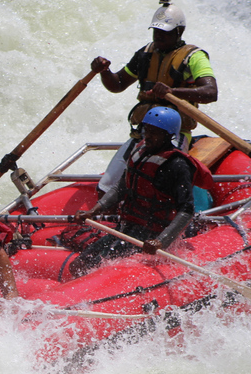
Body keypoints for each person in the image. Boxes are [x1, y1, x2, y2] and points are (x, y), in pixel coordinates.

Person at [94, 0, 218, 194]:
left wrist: (172, 91)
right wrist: (104, 71)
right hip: (144, 132)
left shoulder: (195, 57)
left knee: (158, 186)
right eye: (156, 31)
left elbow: (211, 92)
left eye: (166, 32)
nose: (159, 36)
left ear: (180, 31)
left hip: (174, 134)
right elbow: (117, 84)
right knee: (106, 186)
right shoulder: (145, 54)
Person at [69, 107, 213, 278]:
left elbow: (187, 210)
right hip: (127, 229)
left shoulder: (177, 165)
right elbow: (120, 187)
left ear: (169, 135)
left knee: (100, 275)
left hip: (152, 235)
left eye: (155, 132)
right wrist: (94, 211)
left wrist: (161, 241)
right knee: (78, 265)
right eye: (147, 130)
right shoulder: (139, 152)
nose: (148, 136)